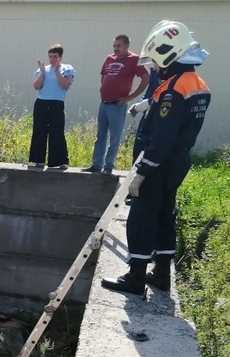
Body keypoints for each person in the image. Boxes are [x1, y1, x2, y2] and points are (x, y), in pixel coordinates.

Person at [101, 21, 210, 295]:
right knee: (165, 214)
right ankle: (162, 273)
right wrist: (150, 102)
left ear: (170, 56)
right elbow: (178, 113)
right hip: (177, 163)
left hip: (158, 164)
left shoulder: (173, 91)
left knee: (143, 215)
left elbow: (164, 134)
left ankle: (135, 276)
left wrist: (143, 171)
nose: (155, 69)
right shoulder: (195, 83)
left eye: (157, 63)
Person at [83, 35, 149, 174]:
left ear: (126, 46)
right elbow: (104, 75)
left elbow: (145, 78)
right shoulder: (109, 58)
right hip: (104, 103)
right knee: (100, 136)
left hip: (117, 105)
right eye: (114, 46)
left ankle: (108, 167)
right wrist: (104, 89)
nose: (116, 48)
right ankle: (96, 165)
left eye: (119, 46)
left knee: (114, 137)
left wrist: (131, 97)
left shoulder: (134, 60)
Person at [28, 44, 75, 170]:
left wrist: (57, 72)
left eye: (55, 56)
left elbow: (65, 85)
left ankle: (60, 161)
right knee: (39, 131)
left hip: (57, 103)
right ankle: (38, 160)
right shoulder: (44, 69)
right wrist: (42, 74)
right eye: (50, 56)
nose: (52, 59)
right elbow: (36, 86)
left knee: (57, 131)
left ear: (60, 57)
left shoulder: (67, 68)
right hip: (42, 103)